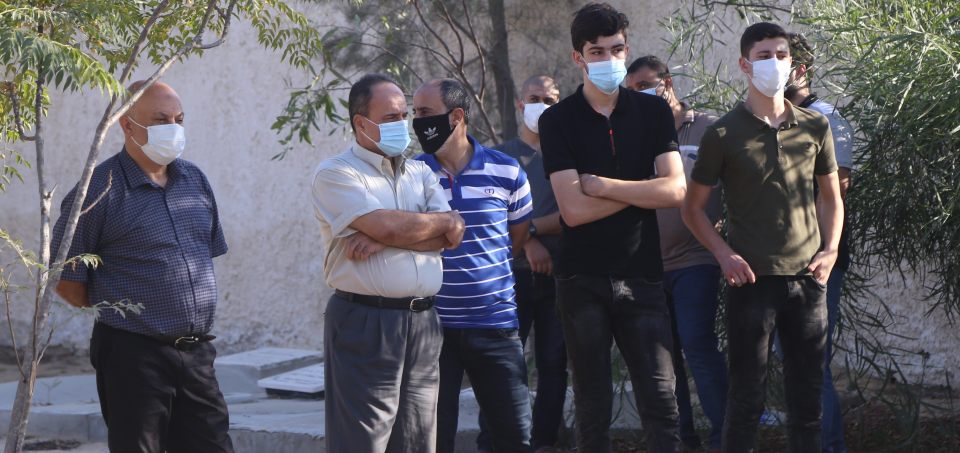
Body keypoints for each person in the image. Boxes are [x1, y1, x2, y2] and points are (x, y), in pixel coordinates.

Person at [681, 22, 844, 453]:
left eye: (781, 55)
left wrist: (830, 250)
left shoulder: (815, 125)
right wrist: (723, 255)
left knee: (808, 401)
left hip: (808, 281)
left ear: (793, 64)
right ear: (744, 64)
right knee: (746, 400)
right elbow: (692, 209)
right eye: (763, 56)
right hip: (751, 283)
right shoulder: (722, 133)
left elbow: (831, 198)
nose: (774, 63)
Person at [51, 81, 234, 452]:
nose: (173, 129)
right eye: (161, 120)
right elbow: (67, 279)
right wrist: (127, 313)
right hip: (133, 356)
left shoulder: (194, 181)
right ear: (127, 124)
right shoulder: (97, 190)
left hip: (196, 354)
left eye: (179, 120)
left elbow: (205, 254)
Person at [538, 3, 687, 452]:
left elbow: (676, 190)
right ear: (578, 58)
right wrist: (644, 188)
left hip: (643, 274)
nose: (609, 59)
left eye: (617, 49)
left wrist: (604, 186)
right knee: (592, 404)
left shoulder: (653, 112)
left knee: (662, 400)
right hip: (581, 280)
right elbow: (573, 211)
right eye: (597, 52)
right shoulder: (556, 120)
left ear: (627, 48)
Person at [311, 73, 466, 453]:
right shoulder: (337, 173)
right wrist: (409, 228)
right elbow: (391, 226)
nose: (403, 124)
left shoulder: (420, 171)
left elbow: (453, 233)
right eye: (390, 118)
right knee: (363, 440)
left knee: (417, 440)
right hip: (367, 321)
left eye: (404, 115)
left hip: (423, 321)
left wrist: (383, 238)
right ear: (361, 123)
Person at [409, 78, 534, 453]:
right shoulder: (411, 175)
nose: (418, 122)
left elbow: (516, 238)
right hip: (433, 330)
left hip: (495, 326)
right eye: (415, 114)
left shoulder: (507, 171)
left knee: (515, 437)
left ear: (456, 116)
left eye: (426, 113)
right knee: (432, 439)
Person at [627, 55, 728, 453]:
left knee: (697, 342)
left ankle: (727, 439)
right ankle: (682, 440)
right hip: (649, 265)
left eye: (645, 85)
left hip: (696, 259)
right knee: (662, 359)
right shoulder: (637, 135)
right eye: (632, 90)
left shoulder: (708, 128)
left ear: (667, 83)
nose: (639, 94)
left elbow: (735, 184)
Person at [477, 74, 568, 453]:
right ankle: (494, 443)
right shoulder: (498, 157)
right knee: (503, 366)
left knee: (553, 365)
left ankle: (544, 442)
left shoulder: (568, 155)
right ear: (520, 104)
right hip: (508, 278)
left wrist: (528, 228)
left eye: (549, 100)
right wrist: (529, 243)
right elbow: (488, 214)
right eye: (534, 98)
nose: (541, 106)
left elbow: (575, 214)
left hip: (561, 276)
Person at [785, 31, 854, 453]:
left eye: (780, 59)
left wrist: (811, 244)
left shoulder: (827, 117)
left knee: (812, 360)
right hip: (777, 260)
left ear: (800, 69)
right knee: (794, 359)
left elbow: (837, 189)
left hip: (818, 259)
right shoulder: (767, 119)